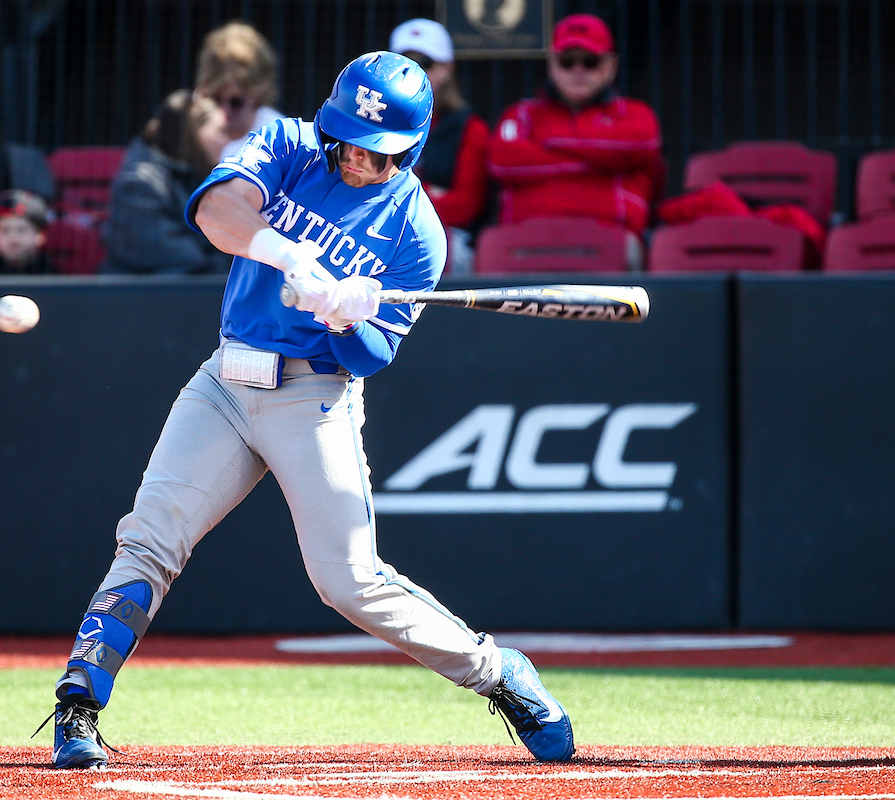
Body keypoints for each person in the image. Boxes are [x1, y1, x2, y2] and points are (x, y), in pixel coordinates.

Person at [40, 51, 575, 770]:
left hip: (313, 399)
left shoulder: (417, 232)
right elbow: (215, 212)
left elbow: (373, 355)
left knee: (348, 581)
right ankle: (78, 705)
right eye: (348, 141)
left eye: (377, 151)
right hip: (226, 381)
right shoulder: (288, 144)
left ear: (411, 149)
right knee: (149, 539)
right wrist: (291, 257)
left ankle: (497, 672)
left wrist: (347, 317)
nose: (357, 159)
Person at [486, 13, 661, 262]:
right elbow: (502, 161)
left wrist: (549, 140)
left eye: (590, 61)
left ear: (610, 65)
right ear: (551, 64)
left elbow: (642, 143)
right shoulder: (522, 114)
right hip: (526, 246)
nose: (578, 70)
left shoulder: (634, 113)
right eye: (567, 61)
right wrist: (600, 159)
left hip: (610, 241)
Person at [389, 18, 489, 273]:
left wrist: (393, 196)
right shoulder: (373, 121)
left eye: (425, 63)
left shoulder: (471, 128)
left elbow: (465, 206)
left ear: (447, 68)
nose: (414, 72)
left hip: (443, 237)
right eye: (405, 63)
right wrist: (430, 192)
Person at [101, 89, 231, 275]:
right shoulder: (139, 184)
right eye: (221, 131)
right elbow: (185, 262)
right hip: (148, 292)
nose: (226, 141)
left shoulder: (199, 177)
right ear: (193, 133)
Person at [194, 20, 281, 160]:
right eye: (215, 99)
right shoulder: (191, 129)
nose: (224, 112)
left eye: (236, 102)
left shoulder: (278, 139)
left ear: (257, 95)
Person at [0, 188, 55, 275]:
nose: (13, 236)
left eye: (21, 230)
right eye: (5, 230)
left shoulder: (48, 273)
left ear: (40, 236)